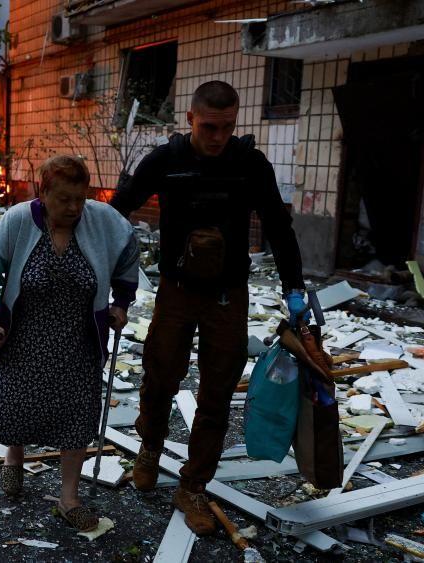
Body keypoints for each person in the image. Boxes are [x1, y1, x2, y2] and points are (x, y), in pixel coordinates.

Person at [110, 80, 308, 535]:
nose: (219, 136)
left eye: (228, 127)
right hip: (177, 291)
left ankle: (193, 486)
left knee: (216, 393)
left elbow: (278, 226)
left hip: (227, 296)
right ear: (191, 120)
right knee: (160, 376)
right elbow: (118, 209)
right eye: (210, 126)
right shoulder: (166, 161)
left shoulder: (248, 164)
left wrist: (294, 287)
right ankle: (150, 448)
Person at [0, 155, 140, 532]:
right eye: (64, 199)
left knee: (76, 417)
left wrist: (121, 303)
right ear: (43, 192)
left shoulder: (102, 220)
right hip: (25, 337)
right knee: (18, 408)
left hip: (80, 339)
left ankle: (69, 498)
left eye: (80, 198)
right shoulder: (16, 221)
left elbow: (129, 253)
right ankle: (15, 456)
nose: (74, 207)